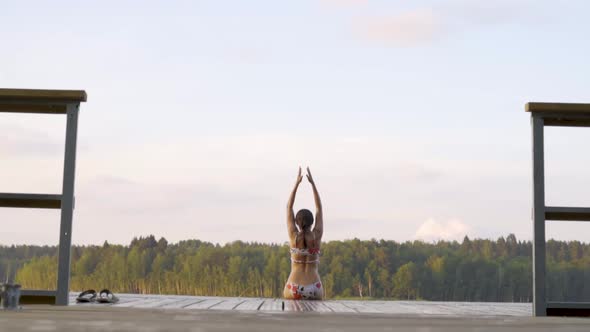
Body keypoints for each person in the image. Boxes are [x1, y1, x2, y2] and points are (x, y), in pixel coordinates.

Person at [283, 167, 324, 300]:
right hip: (315, 287)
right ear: (312, 222)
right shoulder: (316, 235)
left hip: (294, 287)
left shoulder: (293, 235)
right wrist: (313, 184)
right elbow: (319, 208)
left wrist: (297, 184)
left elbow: (289, 207)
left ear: (297, 222)